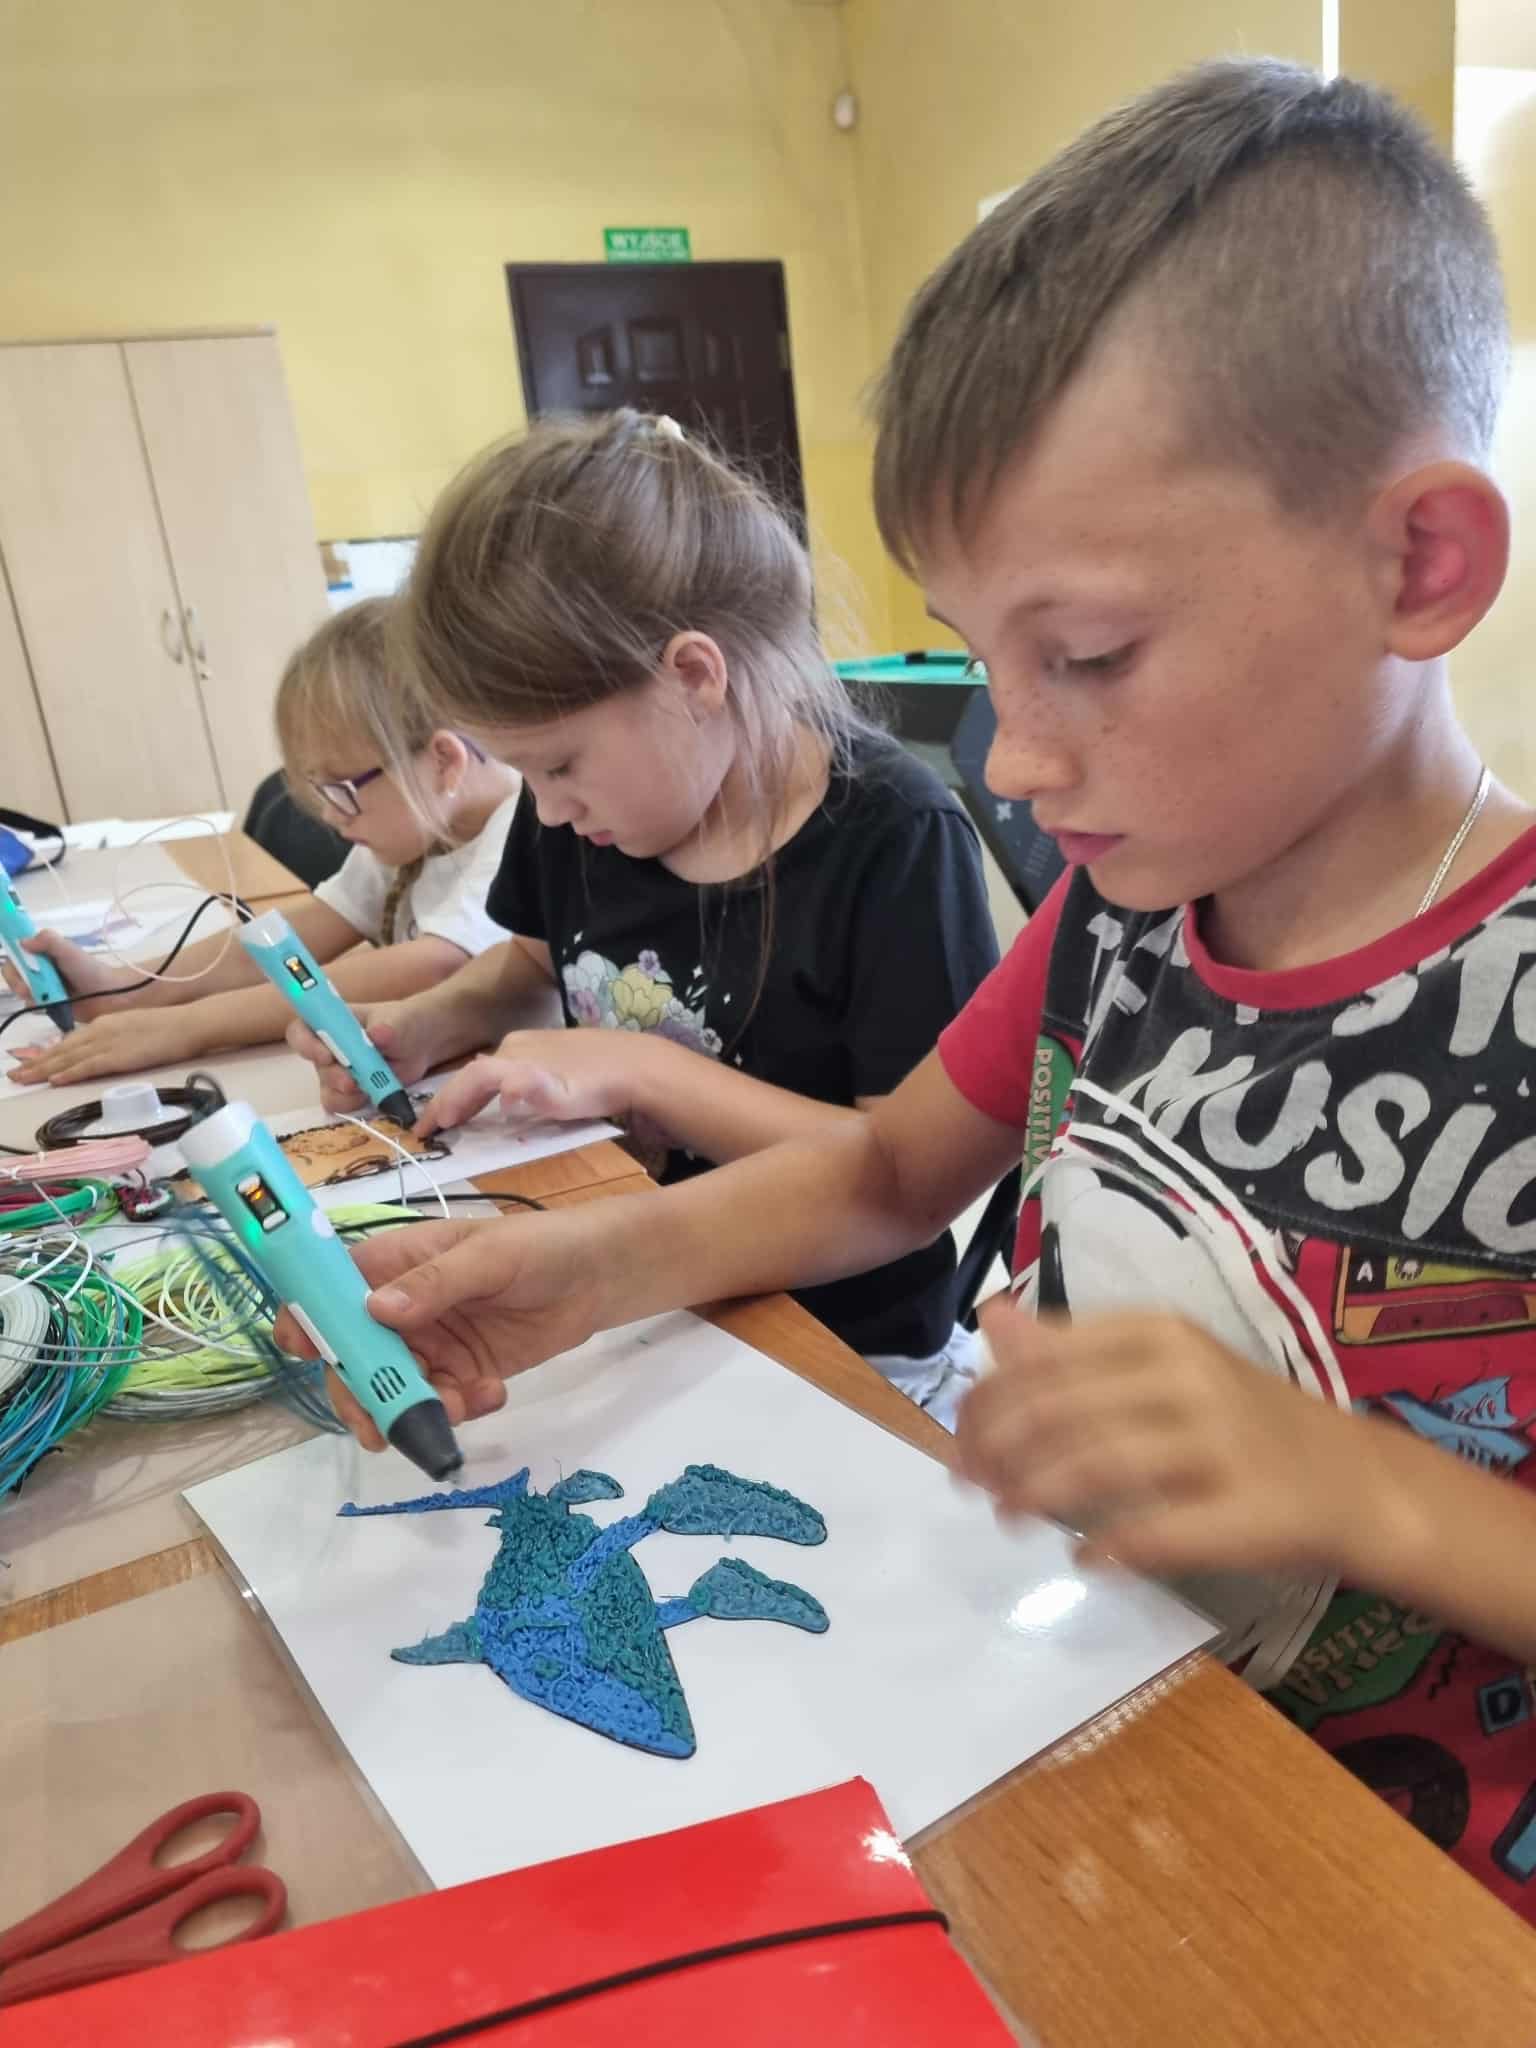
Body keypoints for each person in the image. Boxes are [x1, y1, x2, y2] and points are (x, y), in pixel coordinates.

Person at [280, 61, 1536, 1917]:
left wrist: (1369, 1494)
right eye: (980, 660)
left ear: (1419, 562)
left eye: (1086, 652)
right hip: (1090, 1748)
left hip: (1409, 1907)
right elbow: (885, 1170)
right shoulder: (1118, 913)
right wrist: (585, 1274)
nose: (1010, 757)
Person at [291, 410, 999, 1421]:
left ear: (694, 677)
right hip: (623, 1277)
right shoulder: (579, 814)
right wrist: (432, 1021)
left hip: (843, 1341)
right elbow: (526, 966)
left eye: (560, 764)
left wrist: (643, 1068)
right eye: (527, 772)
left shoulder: (894, 838)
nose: (547, 809)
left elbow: (903, 1168)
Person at [5, 599, 521, 1085]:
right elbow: (283, 946)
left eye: (342, 789)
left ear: (444, 762)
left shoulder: (522, 833)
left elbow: (429, 968)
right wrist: (126, 988)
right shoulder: (417, 830)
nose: (329, 814)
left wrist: (185, 1027)